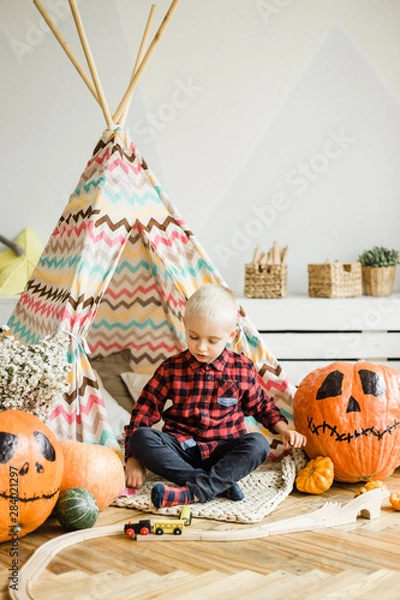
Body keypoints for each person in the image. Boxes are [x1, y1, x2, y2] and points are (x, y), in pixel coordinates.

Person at [124, 283, 306, 509]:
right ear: (185, 326)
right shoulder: (171, 368)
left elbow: (261, 405)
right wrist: (133, 458)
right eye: (193, 336)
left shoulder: (241, 368)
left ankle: (190, 493)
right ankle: (219, 484)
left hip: (223, 451)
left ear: (231, 335)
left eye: (212, 341)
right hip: (182, 449)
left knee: (258, 444)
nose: (201, 347)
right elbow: (145, 409)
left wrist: (284, 429)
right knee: (142, 437)